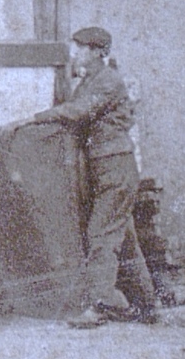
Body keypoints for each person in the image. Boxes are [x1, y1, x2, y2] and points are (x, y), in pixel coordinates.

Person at [26, 27, 152, 328]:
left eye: (82, 49)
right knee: (122, 236)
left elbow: (80, 111)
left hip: (115, 166)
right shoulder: (89, 82)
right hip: (104, 167)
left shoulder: (107, 80)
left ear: (98, 51)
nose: (76, 54)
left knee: (102, 236)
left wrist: (35, 117)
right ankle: (147, 303)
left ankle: (104, 304)